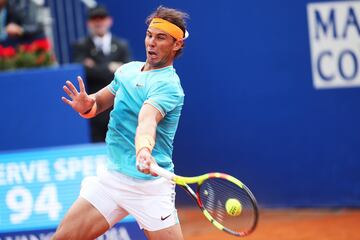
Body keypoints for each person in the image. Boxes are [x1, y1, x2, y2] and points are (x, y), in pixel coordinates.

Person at [53, 5, 189, 240]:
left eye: (161, 38)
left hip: (150, 188)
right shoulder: (128, 71)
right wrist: (87, 103)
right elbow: (97, 105)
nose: (151, 43)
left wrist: (144, 150)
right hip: (112, 179)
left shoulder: (168, 86)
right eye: (149, 35)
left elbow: (146, 121)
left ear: (176, 44)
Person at [72, 5, 131, 142]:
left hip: (119, 108)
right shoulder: (81, 46)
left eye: (102, 18)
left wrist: (95, 66)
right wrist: (111, 67)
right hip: (94, 110)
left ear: (109, 21)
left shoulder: (122, 45)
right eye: (94, 19)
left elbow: (128, 72)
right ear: (89, 23)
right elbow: (83, 72)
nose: (98, 22)